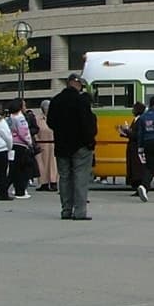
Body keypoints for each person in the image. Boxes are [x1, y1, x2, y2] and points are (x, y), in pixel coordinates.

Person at [46, 73, 97, 220]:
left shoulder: (56, 101)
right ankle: (80, 211)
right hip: (80, 145)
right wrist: (89, 141)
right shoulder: (81, 101)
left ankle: (66, 210)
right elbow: (88, 125)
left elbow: (51, 123)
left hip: (62, 145)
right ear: (77, 84)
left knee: (65, 178)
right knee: (80, 178)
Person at [7, 98, 35, 200]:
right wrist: (29, 142)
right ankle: (20, 191)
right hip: (21, 145)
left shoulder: (9, 118)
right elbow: (24, 132)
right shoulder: (20, 118)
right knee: (22, 169)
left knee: (14, 168)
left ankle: (11, 188)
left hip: (12, 144)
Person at [118, 101, 147, 198]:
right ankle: (137, 188)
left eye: (134, 109)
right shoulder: (135, 120)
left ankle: (140, 187)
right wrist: (123, 132)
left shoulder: (140, 120)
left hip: (136, 147)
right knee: (133, 168)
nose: (132, 111)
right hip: (132, 146)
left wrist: (127, 131)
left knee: (137, 168)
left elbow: (137, 135)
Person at [33, 99, 58, 192]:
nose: (47, 109)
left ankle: (53, 182)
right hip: (41, 143)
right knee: (42, 164)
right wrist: (36, 140)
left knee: (53, 163)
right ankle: (43, 183)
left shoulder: (56, 117)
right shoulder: (37, 118)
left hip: (53, 143)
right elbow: (35, 130)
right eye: (46, 108)